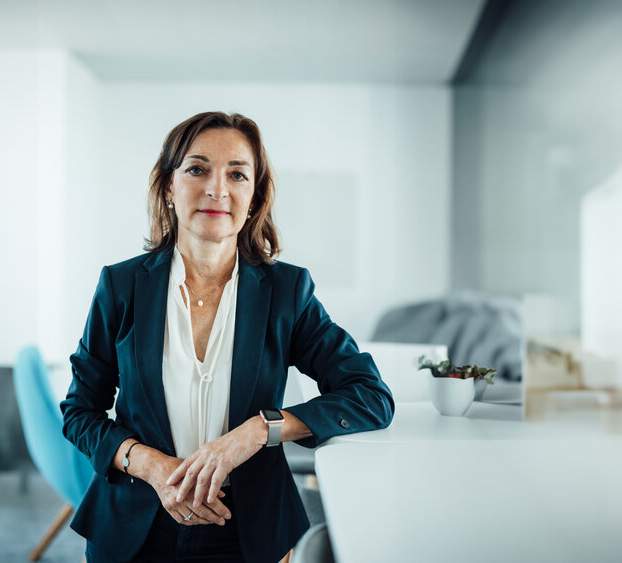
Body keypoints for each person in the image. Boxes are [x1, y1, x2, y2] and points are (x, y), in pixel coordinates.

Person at [61, 111, 394, 563]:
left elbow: (370, 395)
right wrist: (154, 468)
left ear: (254, 197)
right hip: (133, 525)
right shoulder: (120, 287)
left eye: (237, 174)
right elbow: (80, 410)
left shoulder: (287, 294)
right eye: (197, 169)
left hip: (247, 531)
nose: (217, 188)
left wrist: (260, 431)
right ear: (168, 186)